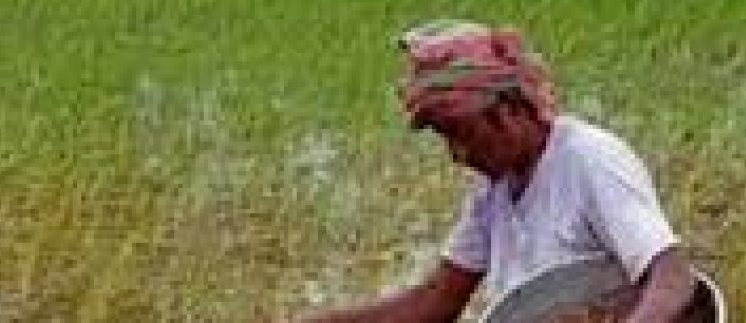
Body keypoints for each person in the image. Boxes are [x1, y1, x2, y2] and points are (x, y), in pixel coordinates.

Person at [298, 20, 698, 323]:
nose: (458, 155)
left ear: (508, 110)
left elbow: (672, 276)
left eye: (463, 135)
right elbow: (437, 302)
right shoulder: (494, 194)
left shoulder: (589, 159)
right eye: (446, 139)